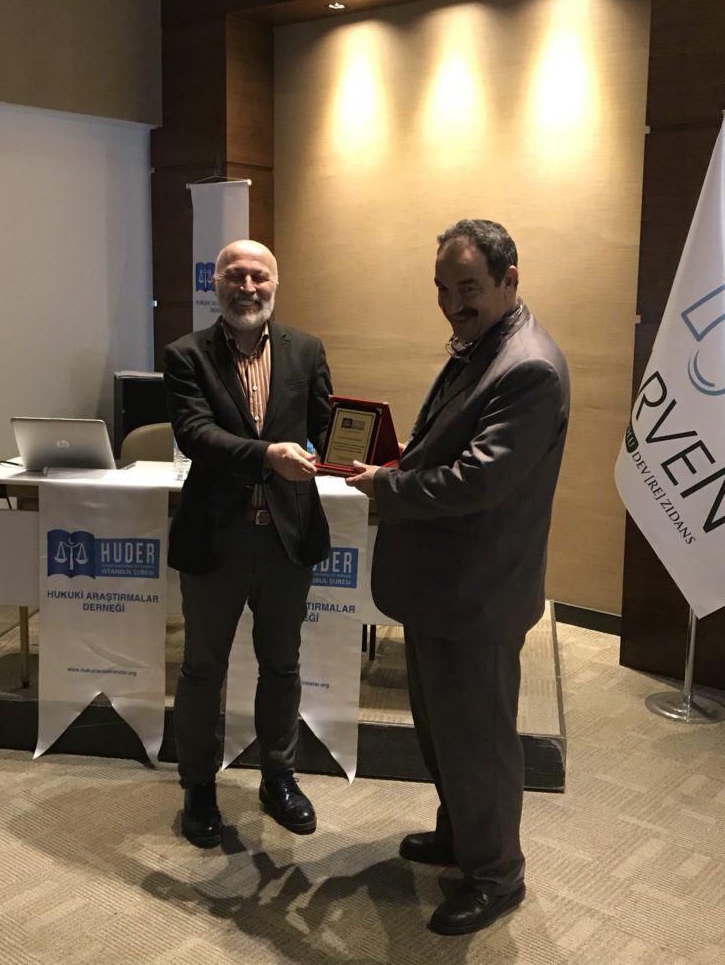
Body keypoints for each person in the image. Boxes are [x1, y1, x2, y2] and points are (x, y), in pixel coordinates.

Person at [346, 219, 569, 936]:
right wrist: (401, 460)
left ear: (510, 280)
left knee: (480, 744)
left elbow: (477, 482)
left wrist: (387, 486)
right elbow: (451, 444)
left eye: (467, 287)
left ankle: (497, 876)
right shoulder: (486, 345)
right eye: (442, 288)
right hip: (443, 586)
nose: (451, 304)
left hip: (478, 593)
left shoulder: (529, 367)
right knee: (445, 733)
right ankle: (460, 836)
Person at [164, 239, 332, 848]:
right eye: (235, 276)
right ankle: (198, 787)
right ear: (216, 283)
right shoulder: (186, 355)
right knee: (202, 670)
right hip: (216, 540)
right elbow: (195, 435)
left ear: (275, 283)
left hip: (287, 538)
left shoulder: (306, 349)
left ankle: (278, 778)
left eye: (259, 276)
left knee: (282, 665)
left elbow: (325, 426)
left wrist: (363, 451)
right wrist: (267, 455)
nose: (248, 287)